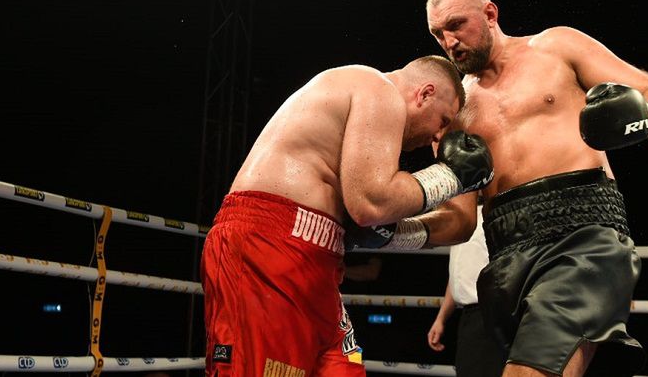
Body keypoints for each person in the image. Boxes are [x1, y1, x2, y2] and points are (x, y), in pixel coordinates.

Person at [424, 0, 648, 377]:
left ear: (490, 13)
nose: (449, 41)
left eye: (457, 24)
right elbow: (459, 221)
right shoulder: (456, 109)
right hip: (505, 258)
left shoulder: (556, 46)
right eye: (438, 33)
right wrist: (394, 227)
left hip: (583, 237)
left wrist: (642, 118)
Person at [201, 56, 495, 377]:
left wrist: (391, 232)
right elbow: (371, 204)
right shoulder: (379, 90)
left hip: (316, 264)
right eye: (442, 121)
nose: (437, 138)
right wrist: (452, 177)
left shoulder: (368, 131)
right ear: (424, 94)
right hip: (268, 246)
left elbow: (376, 217)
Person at [426, 207, 504, 377]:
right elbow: (457, 275)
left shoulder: (493, 214)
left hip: (490, 313)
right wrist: (441, 318)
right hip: (469, 316)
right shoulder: (461, 219)